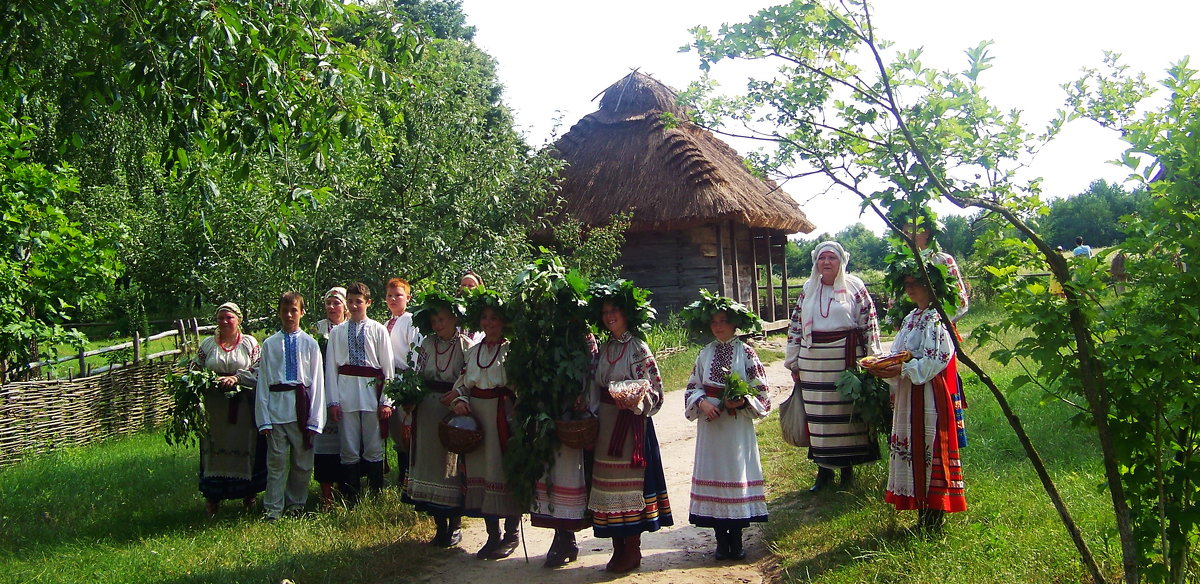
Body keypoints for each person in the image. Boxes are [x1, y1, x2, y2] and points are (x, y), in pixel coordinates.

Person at [586, 280, 673, 574]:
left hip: (631, 424)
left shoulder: (637, 347)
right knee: (608, 487)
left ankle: (632, 547)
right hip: (607, 426)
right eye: (606, 311)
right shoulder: (605, 347)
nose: (610, 316)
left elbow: (656, 389)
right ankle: (617, 546)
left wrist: (636, 399)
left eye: (616, 311)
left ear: (627, 314)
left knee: (630, 484)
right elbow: (596, 386)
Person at [868, 274, 967, 531]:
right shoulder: (911, 318)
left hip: (929, 394)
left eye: (916, 283)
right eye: (907, 284)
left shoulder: (938, 320)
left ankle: (933, 518)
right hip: (909, 394)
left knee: (929, 446)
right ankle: (921, 513)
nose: (910, 289)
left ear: (931, 285)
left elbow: (936, 360)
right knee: (912, 448)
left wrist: (903, 369)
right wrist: (886, 364)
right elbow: (898, 351)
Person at [784, 241, 882, 492]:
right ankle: (824, 473)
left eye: (832, 258)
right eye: (821, 258)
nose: (826, 262)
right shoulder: (808, 288)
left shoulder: (854, 287)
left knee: (844, 415)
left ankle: (847, 472)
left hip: (844, 360)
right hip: (813, 362)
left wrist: (872, 358)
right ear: (815, 262)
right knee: (819, 418)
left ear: (842, 261)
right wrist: (793, 361)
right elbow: (796, 326)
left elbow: (868, 322)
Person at [681, 295, 770, 561]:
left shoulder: (747, 353)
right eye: (714, 322)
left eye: (723, 322)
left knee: (735, 474)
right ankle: (721, 541)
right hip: (712, 428)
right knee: (715, 474)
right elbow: (691, 387)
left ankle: (737, 540)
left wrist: (742, 400)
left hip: (735, 428)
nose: (718, 327)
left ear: (734, 324)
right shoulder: (704, 353)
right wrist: (702, 403)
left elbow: (762, 391)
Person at [450, 288, 523, 559]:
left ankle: (512, 534)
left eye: (494, 318)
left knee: (502, 470)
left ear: (503, 321)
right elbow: (462, 385)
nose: (488, 323)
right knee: (480, 471)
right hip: (477, 420)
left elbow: (520, 387)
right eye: (484, 318)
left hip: (501, 416)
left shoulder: (511, 351)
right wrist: (459, 400)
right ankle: (492, 535)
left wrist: (517, 412)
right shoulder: (473, 351)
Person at [530, 330, 598, 568]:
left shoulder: (586, 339)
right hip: (548, 411)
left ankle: (566, 536)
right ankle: (561, 537)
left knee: (568, 475)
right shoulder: (546, 334)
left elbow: (591, 375)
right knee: (550, 474)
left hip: (573, 417)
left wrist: (583, 398)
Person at [255, 292, 326, 521]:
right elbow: (263, 382)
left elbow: (317, 383)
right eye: (285, 310)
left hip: (301, 411)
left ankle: (296, 504)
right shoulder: (269, 344)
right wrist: (263, 418)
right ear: (279, 312)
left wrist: (315, 419)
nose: (289, 315)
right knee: (276, 464)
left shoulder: (310, 344)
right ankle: (273, 508)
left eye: (294, 310)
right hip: (276, 412)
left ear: (302, 313)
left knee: (302, 463)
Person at [406, 291, 469, 547]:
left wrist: (459, 394)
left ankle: (454, 524)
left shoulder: (465, 345)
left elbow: (469, 377)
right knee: (430, 463)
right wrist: (410, 397)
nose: (438, 325)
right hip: (428, 411)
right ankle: (438, 526)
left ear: (454, 318)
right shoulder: (427, 344)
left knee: (449, 466)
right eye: (434, 321)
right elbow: (418, 373)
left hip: (451, 411)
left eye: (442, 319)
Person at [193, 302, 265, 517]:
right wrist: (206, 381)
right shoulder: (208, 345)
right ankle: (212, 500)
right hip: (215, 410)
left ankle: (248, 495)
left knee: (244, 447)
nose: (224, 322)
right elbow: (195, 368)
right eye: (220, 318)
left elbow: (259, 368)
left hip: (242, 407)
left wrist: (236, 378)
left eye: (229, 318)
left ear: (238, 320)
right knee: (214, 451)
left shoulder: (249, 343)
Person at [325, 282, 395, 504]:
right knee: (348, 447)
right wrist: (333, 401)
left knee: (374, 447)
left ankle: (376, 496)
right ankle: (351, 497)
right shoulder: (337, 332)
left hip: (371, 394)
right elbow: (331, 369)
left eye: (359, 301)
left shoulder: (378, 329)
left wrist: (386, 400)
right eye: (351, 302)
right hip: (346, 393)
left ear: (368, 303)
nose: (354, 306)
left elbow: (388, 367)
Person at [385, 278, 423, 487]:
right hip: (391, 380)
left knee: (408, 430)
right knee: (397, 432)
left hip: (405, 378)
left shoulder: (411, 321)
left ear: (408, 297)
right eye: (390, 296)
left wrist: (411, 389)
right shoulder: (385, 324)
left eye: (398, 295)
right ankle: (401, 476)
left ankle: (410, 477)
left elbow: (415, 355)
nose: (393, 299)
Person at [313, 286, 348, 510]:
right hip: (323, 390)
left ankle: (348, 490)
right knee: (324, 445)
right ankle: (326, 496)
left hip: (346, 389)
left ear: (345, 306)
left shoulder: (351, 327)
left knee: (348, 443)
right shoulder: (317, 330)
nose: (332, 307)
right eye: (328, 303)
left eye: (336, 303)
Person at [908, 219, 969, 322]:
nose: (908, 236)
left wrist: (940, 321)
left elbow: (959, 300)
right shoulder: (905, 264)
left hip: (941, 325)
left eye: (912, 230)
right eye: (905, 232)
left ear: (926, 232)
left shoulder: (942, 260)